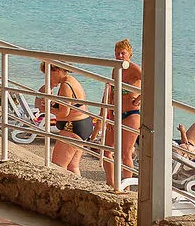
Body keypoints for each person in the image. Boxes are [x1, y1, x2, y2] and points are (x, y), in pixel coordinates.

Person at [102, 39, 141, 188]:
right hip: (116, 113)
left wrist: (139, 98)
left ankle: (127, 186)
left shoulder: (134, 68)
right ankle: (110, 183)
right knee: (107, 149)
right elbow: (112, 93)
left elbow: (150, 82)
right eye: (117, 53)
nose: (119, 56)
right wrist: (110, 115)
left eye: (122, 53)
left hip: (132, 114)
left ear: (129, 54)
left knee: (125, 153)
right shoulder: (116, 69)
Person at [44, 62, 94, 175]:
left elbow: (64, 113)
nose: (47, 78)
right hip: (83, 124)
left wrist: (47, 109)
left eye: (49, 74)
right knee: (73, 166)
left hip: (72, 127)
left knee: (58, 166)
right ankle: (80, 191)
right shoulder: (72, 80)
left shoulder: (66, 85)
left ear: (58, 71)